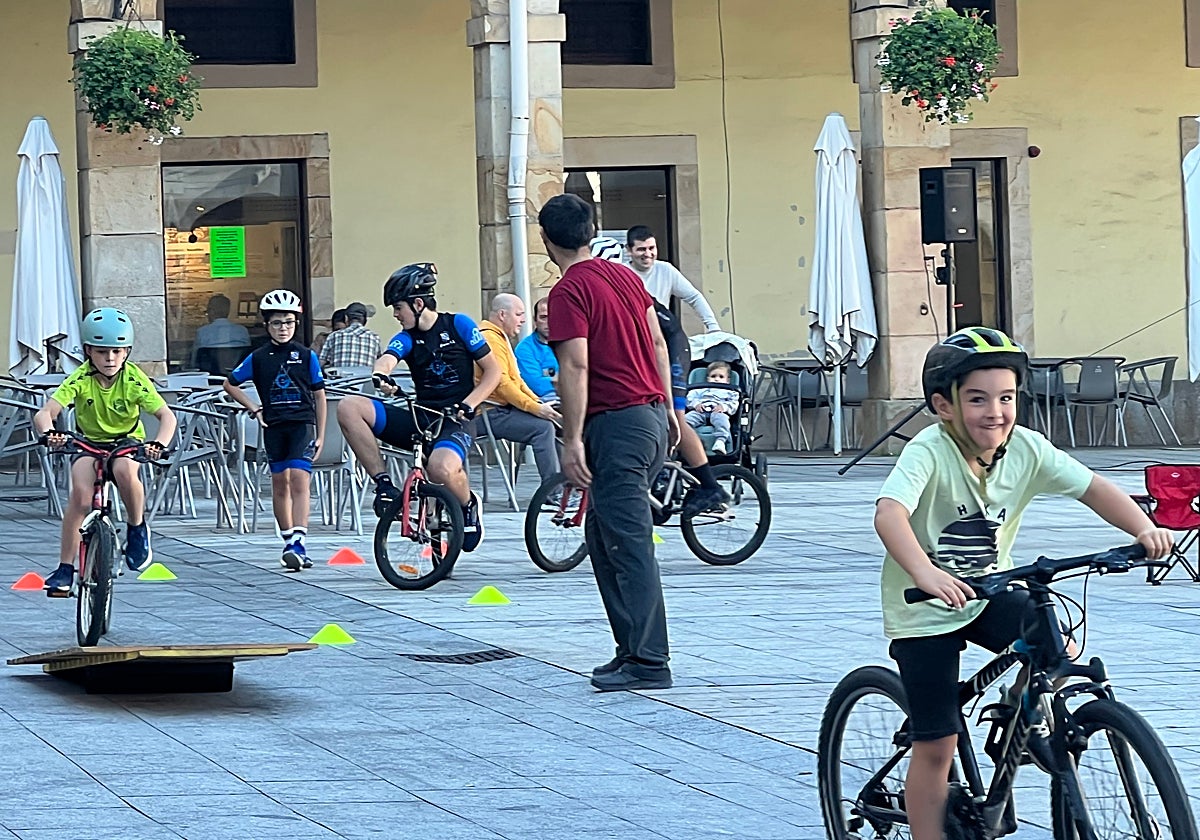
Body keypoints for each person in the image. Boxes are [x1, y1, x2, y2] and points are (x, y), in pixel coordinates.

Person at [874, 326, 1173, 840]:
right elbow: (890, 514)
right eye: (978, 399)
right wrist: (927, 572)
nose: (996, 411)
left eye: (1007, 397)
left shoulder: (1026, 448)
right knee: (938, 743)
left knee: (1055, 640)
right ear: (944, 407)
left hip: (987, 590)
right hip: (923, 605)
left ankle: (1020, 718)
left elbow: (1095, 488)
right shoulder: (929, 450)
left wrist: (1143, 528)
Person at [541, 194, 680, 692]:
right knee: (604, 537)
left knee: (629, 541)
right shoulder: (622, 276)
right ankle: (630, 649)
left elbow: (575, 366)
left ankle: (650, 659)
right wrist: (666, 407)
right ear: (592, 230)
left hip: (615, 422)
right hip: (646, 417)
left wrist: (572, 438)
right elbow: (658, 341)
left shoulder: (567, 293)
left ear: (545, 239)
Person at [336, 263, 500, 553]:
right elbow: (389, 356)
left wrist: (469, 404)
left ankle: (467, 505)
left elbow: (492, 373)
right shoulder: (408, 337)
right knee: (349, 407)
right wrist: (381, 374)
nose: (396, 315)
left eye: (398, 308)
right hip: (420, 418)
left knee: (441, 467)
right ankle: (384, 484)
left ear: (418, 303)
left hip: (455, 419)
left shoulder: (458, 324)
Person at [34, 308, 178, 595]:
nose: (110, 359)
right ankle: (65, 568)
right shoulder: (81, 377)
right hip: (89, 443)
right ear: (88, 351)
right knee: (80, 495)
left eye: (116, 352)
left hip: (125, 443)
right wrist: (49, 433)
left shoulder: (134, 379)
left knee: (126, 472)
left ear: (126, 352)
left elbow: (167, 416)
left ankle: (136, 528)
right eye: (101, 352)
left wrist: (159, 444)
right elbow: (46, 412)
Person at [592, 234, 728, 518]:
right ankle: (659, 479)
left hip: (673, 347)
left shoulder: (623, 287)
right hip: (655, 349)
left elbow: (656, 341)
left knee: (675, 417)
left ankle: (709, 486)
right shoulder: (606, 287)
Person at [223, 289, 327, 572]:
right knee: (279, 482)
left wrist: (321, 434)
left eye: (289, 323)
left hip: (301, 425)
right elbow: (230, 383)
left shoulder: (306, 355)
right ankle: (287, 540)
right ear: (267, 324)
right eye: (277, 323)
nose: (283, 328)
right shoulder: (259, 357)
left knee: (299, 480)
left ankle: (300, 541)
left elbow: (320, 395)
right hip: (274, 426)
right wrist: (254, 408)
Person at [477, 293, 562, 483]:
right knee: (544, 428)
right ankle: (554, 492)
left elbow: (518, 380)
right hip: (489, 411)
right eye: (519, 314)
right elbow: (503, 384)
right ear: (502, 315)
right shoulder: (490, 338)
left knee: (567, 421)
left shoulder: (499, 337)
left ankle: (569, 487)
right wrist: (536, 408)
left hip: (503, 409)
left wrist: (536, 402)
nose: (522, 320)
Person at [684, 361, 739, 454]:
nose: (717, 379)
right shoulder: (700, 389)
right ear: (708, 378)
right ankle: (685, 441)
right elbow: (690, 397)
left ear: (728, 380)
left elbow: (734, 403)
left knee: (723, 422)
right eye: (713, 376)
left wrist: (724, 407)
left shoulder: (730, 391)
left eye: (721, 377)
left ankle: (720, 441)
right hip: (700, 412)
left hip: (718, 412)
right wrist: (696, 404)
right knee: (684, 420)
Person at [514, 296, 559, 404]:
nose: (549, 322)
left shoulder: (570, 344)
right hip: (545, 404)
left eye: (553, 317)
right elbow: (536, 384)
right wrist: (571, 382)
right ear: (535, 320)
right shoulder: (524, 349)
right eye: (543, 317)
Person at [191, 293, 251, 372]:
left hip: (210, 378)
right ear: (228, 311)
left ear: (211, 311)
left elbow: (194, 362)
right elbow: (248, 360)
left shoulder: (202, 332)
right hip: (238, 378)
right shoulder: (242, 331)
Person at [319, 301, 381, 374]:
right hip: (365, 383)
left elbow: (320, 363)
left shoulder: (334, 336)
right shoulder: (375, 338)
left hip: (339, 384)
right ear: (365, 320)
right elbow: (380, 362)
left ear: (346, 318)